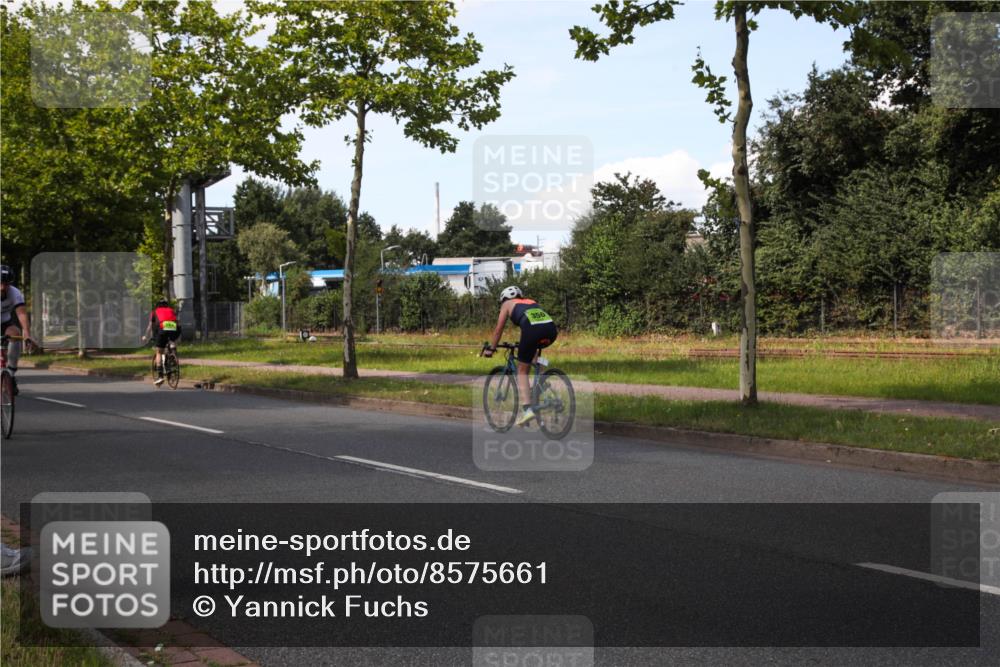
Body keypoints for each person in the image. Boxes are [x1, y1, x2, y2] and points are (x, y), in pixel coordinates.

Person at [482, 286, 558, 426]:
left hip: (532, 330)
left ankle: (527, 410)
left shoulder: (507, 304)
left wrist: (492, 349)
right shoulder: (530, 301)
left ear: (503, 298)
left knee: (521, 370)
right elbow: (532, 323)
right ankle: (542, 381)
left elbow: (499, 329)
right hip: (551, 330)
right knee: (532, 354)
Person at [1, 265, 34, 396]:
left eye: (6, 284)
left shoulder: (14, 293)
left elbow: (21, 314)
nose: (3, 287)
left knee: (15, 333)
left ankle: (10, 373)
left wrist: (27, 334)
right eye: (0, 283)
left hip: (5, 323)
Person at [142, 298, 180, 387]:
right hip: (174, 329)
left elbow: (150, 326)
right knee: (172, 339)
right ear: (167, 305)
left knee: (159, 352)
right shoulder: (171, 310)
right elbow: (178, 322)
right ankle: (172, 350)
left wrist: (145, 336)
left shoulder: (154, 312)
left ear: (158, 306)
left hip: (162, 329)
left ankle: (160, 376)